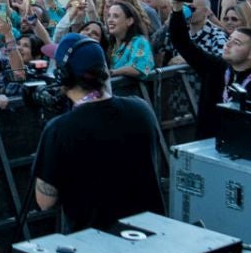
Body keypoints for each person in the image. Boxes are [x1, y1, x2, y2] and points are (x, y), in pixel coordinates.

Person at [32, 34, 165, 232]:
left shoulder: (59, 130)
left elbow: (45, 201)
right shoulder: (141, 109)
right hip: (150, 238)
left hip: (94, 249)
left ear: (63, 76)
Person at [167, 0, 251, 139]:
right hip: (209, 146)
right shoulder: (214, 68)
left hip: (246, 153)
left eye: (236, 43)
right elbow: (182, 42)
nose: (228, 45)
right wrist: (177, 9)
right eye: (229, 40)